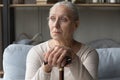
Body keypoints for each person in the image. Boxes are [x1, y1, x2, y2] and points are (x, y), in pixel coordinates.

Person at [25, 1, 99, 80]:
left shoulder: (88, 54)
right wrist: (46, 68)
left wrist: (73, 59)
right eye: (52, 18)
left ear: (76, 25)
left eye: (63, 19)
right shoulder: (36, 52)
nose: (55, 25)